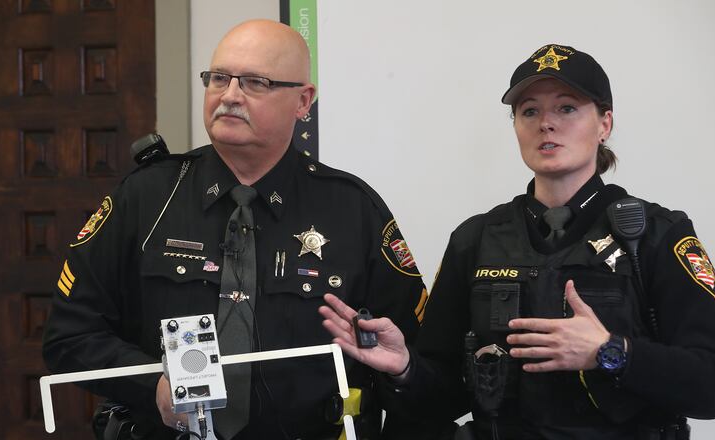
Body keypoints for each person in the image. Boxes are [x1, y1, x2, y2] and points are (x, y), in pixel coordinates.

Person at [320, 44, 715, 439]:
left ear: (605, 124)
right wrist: (407, 368)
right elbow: (445, 394)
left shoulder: (656, 236)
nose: (546, 123)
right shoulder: (477, 239)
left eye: (567, 108)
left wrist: (610, 352)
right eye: (529, 111)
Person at [43, 19, 427, 440]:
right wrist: (150, 387)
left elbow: (421, 365)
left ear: (303, 101)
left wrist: (405, 372)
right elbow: (70, 336)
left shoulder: (353, 209)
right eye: (219, 78)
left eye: (255, 83)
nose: (229, 96)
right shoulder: (146, 197)